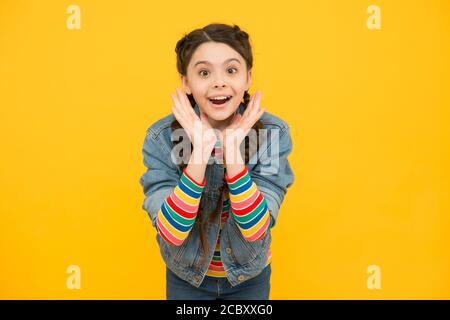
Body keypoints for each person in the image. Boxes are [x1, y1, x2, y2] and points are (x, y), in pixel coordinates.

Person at [139, 23, 294, 300]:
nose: (219, 82)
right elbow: (172, 233)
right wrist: (201, 150)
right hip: (185, 276)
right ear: (186, 82)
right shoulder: (161, 138)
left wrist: (233, 152)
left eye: (231, 70)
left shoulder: (272, 135)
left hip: (250, 276)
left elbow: (256, 229)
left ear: (248, 78)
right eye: (204, 72)